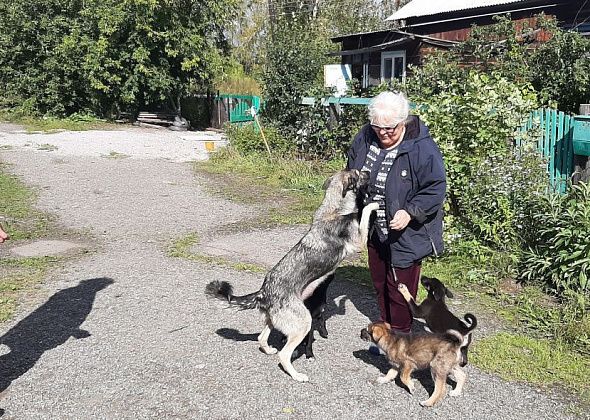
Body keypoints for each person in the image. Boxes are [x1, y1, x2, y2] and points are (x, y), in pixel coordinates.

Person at [346, 91, 446, 337]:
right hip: (374, 225)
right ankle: (385, 328)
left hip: (407, 230)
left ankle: (401, 336)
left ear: (403, 122)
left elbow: (435, 187)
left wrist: (410, 212)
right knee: (380, 280)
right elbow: (351, 167)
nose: (383, 133)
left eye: (390, 128)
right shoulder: (365, 136)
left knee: (399, 286)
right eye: (378, 127)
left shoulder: (421, 148)